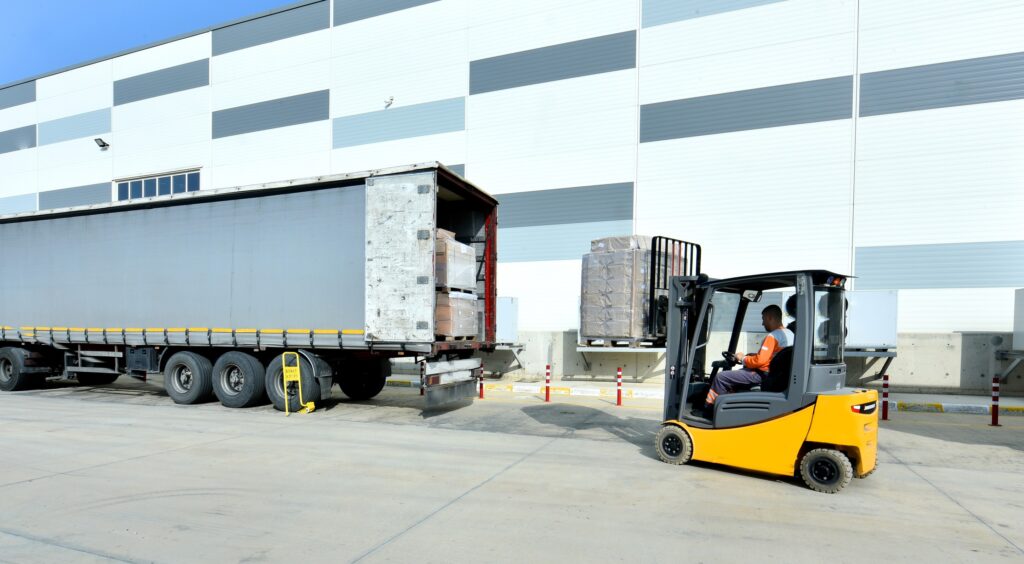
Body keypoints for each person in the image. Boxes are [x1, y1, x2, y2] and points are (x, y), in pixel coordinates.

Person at [702, 304, 793, 413]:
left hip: (763, 374)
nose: (762, 323)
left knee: (721, 377)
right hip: (777, 375)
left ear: (770, 317)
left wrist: (742, 358)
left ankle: (710, 409)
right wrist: (751, 356)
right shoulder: (790, 334)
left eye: (763, 319)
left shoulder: (773, 336)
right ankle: (730, 407)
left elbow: (761, 361)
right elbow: (774, 356)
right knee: (734, 378)